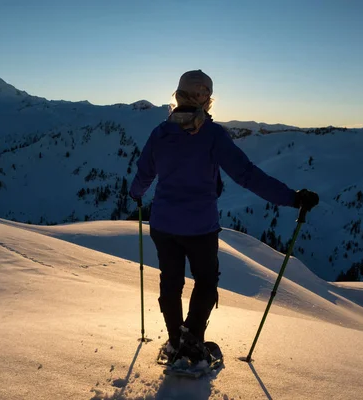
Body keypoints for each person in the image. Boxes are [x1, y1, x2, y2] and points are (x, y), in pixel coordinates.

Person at [129, 70, 319, 363]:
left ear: (178, 95)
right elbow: (247, 175)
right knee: (205, 281)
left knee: (171, 281)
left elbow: (144, 175)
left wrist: (136, 193)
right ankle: (191, 343)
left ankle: (175, 342)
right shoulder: (212, 135)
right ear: (206, 99)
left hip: (164, 224)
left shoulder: (160, 133)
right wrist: (292, 198)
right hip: (200, 228)